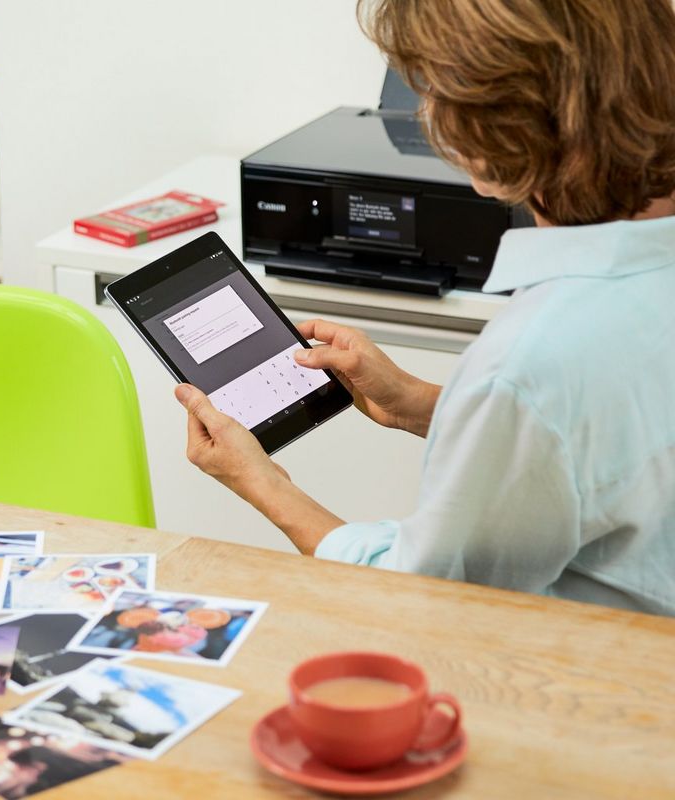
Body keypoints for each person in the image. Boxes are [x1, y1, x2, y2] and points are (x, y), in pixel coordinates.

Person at [175, 0, 675, 616]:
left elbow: (424, 593)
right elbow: (604, 450)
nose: (423, 114)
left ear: (499, 127)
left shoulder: (528, 363)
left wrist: (259, 480)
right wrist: (418, 400)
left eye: (432, 89)